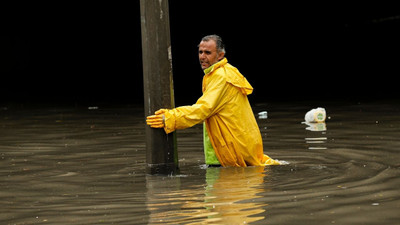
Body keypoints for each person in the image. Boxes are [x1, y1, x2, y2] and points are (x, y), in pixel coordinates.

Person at [146, 35, 280, 167]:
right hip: (234, 147)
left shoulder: (221, 77)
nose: (202, 57)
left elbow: (203, 109)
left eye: (208, 53)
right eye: (200, 52)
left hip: (228, 151)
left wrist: (171, 118)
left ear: (220, 55)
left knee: (221, 187)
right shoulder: (222, 72)